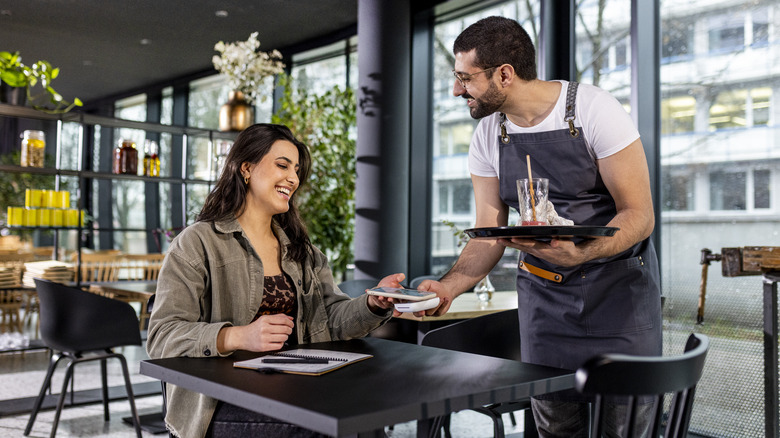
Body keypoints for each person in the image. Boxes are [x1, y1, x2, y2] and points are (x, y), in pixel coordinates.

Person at [417, 16, 662, 437]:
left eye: (465, 78)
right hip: (546, 306)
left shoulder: (592, 109)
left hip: (618, 298)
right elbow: (488, 230)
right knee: (554, 429)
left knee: (625, 428)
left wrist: (584, 252)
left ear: (505, 75)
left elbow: (639, 215)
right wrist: (450, 286)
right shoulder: (488, 135)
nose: (457, 89)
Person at [146, 123, 403, 438]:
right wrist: (238, 337)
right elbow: (161, 337)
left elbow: (332, 320)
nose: (293, 178)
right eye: (282, 165)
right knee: (325, 430)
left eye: (296, 169)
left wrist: (374, 303)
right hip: (219, 403)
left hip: (296, 389)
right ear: (247, 168)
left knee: (364, 421)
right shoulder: (197, 243)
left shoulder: (302, 252)